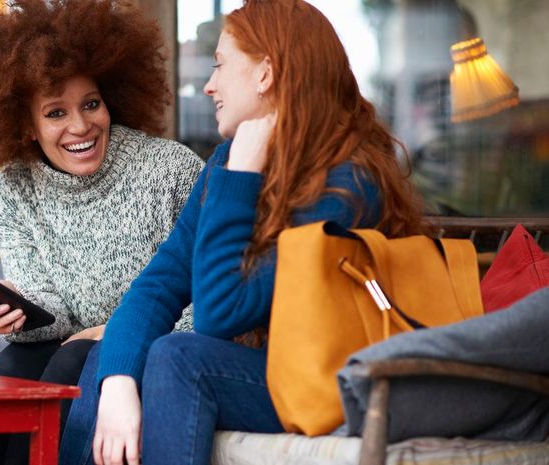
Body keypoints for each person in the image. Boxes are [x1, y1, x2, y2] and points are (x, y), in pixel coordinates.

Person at [59, 1, 430, 464]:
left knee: (179, 359)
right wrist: (117, 383)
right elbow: (161, 282)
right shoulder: (229, 162)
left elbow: (220, 313)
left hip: (339, 383)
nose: (209, 84)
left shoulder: (348, 183)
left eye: (220, 65)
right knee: (108, 359)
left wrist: (242, 178)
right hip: (274, 372)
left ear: (265, 73)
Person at [0, 1, 203, 464]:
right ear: (25, 125)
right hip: (76, 344)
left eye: (91, 104)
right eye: (56, 113)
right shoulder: (15, 190)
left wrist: (113, 333)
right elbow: (54, 314)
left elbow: (211, 298)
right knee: (10, 367)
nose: (80, 126)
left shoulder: (172, 169)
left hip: (161, 342)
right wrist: (20, 315)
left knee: (71, 362)